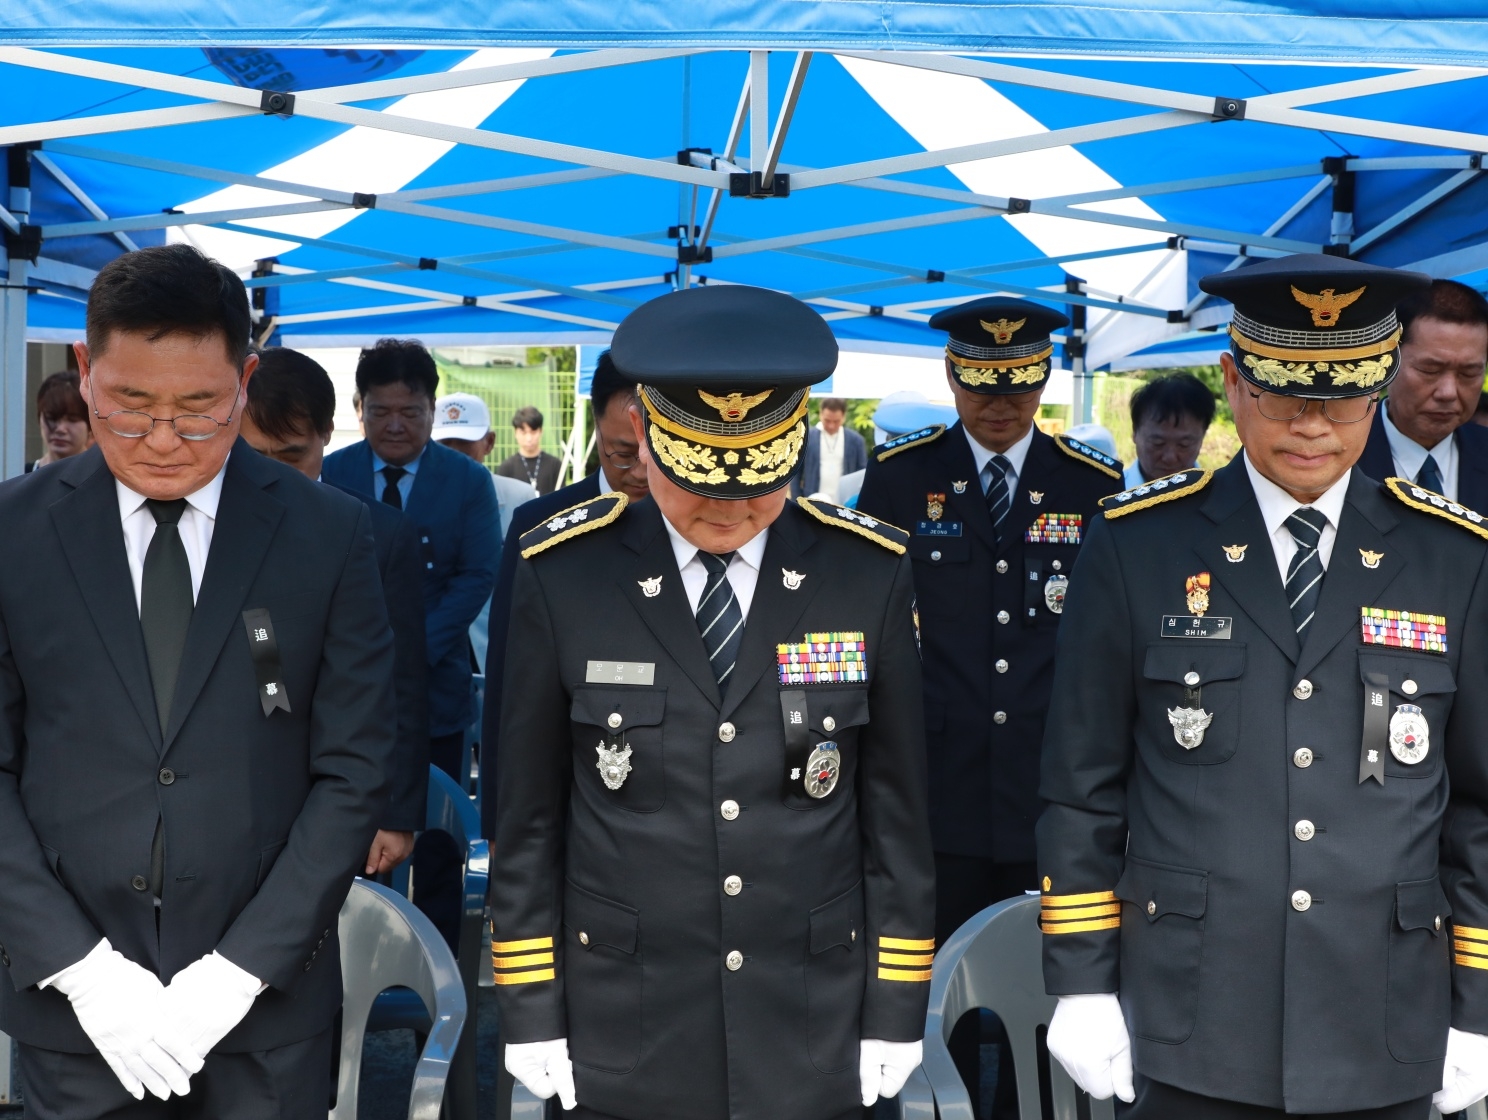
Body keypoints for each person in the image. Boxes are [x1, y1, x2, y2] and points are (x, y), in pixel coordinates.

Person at [1038, 254, 1488, 1120]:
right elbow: (1081, 788)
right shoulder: (1138, 547)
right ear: (1234, 381)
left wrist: (1477, 1000)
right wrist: (1084, 981)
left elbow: (1476, 806)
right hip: (1189, 1014)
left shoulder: (1454, 559)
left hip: (1386, 1019)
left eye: (1344, 397)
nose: (1314, 425)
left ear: (1379, 387)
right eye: (1286, 394)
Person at [490, 285, 935, 1120]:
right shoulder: (564, 574)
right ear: (648, 446)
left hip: (813, 1014)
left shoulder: (865, 571)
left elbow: (897, 817)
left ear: (794, 450)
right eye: (700, 484)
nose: (727, 510)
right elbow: (528, 819)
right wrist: (529, 1005)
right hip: (625, 1013)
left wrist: (896, 1002)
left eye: (757, 487)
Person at [0, 243, 395, 1116]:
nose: (166, 441)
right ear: (85, 371)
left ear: (245, 381)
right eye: (131, 409)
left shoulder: (327, 534)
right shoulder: (13, 534)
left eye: (201, 408)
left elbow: (355, 768)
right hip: (76, 1013)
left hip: (265, 1015)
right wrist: (82, 969)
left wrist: (238, 971)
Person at [856, 295, 1123, 1118]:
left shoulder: (1091, 483)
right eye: (982, 385)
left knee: (1048, 997)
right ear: (951, 375)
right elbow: (870, 629)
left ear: (1043, 377)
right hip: (940, 786)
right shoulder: (902, 478)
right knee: (933, 996)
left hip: (1048, 789)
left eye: (1018, 384)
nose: (1001, 403)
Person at [240, 345, 429, 877]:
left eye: (293, 456)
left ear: (329, 433)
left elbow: (406, 683)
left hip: (349, 789)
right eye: (253, 457)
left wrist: (395, 813)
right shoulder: (207, 526)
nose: (273, 478)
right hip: (236, 785)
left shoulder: (379, 533)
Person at [480, 349, 647, 845]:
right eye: (621, 453)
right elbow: (507, 685)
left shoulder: (695, 524)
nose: (640, 471)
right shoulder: (541, 528)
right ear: (595, 426)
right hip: (567, 792)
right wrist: (498, 825)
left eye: (653, 453)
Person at [322, 339, 499, 784]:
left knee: (439, 828)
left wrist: (412, 651)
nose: (395, 426)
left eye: (411, 413)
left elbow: (478, 574)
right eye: (381, 412)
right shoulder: (331, 473)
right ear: (359, 409)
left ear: (432, 409)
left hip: (436, 680)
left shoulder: (468, 480)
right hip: (346, 685)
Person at [1358, 278, 1488, 510]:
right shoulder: (1342, 457)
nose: (1447, 392)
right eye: (1430, 370)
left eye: (1469, 373)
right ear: (1388, 361)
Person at [430, 390, 536, 669]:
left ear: (489, 443)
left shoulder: (520, 499)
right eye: (444, 443)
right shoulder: (412, 497)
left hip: (495, 647)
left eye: (464, 443)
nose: (453, 452)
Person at [1123, 373, 1215, 488]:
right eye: (1158, 443)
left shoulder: (1219, 496)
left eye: (1184, 445)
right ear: (1135, 432)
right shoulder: (1108, 495)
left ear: (1202, 436)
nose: (1170, 458)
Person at [796, 396, 867, 502]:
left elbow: (862, 474)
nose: (831, 425)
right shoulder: (807, 438)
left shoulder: (856, 441)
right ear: (821, 414)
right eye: (827, 420)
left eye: (836, 421)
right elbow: (796, 472)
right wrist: (797, 499)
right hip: (813, 499)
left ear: (844, 416)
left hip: (844, 501)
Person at [27, 370, 93, 471]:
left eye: (72, 419)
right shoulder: (19, 475)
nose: (60, 429)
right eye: (52, 418)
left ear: (90, 424)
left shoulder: (106, 478)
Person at [496, 405, 562, 495]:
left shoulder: (555, 464)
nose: (529, 438)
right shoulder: (506, 468)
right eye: (523, 432)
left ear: (541, 431)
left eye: (533, 432)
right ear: (515, 433)